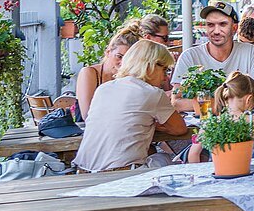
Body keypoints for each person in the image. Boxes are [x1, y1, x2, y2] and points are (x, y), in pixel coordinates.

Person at [74, 40, 187, 172]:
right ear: (151, 66)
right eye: (165, 70)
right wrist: (152, 124)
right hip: (121, 172)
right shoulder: (152, 93)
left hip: (84, 170)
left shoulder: (104, 88)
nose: (165, 78)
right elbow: (180, 129)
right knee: (168, 160)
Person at [170, 1, 254, 112]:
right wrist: (223, 104)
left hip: (243, 123)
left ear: (234, 28)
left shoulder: (251, 52)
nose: (216, 31)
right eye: (210, 25)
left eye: (222, 24)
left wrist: (208, 103)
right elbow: (176, 102)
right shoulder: (189, 56)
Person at [185, 72, 254, 163]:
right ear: (249, 99)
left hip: (219, 173)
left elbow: (193, 154)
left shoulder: (211, 123)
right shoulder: (253, 121)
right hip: (249, 172)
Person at [75, 23, 141, 119]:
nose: (122, 63)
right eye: (119, 56)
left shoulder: (130, 77)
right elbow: (87, 115)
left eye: (128, 59)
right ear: (108, 52)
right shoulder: (89, 73)